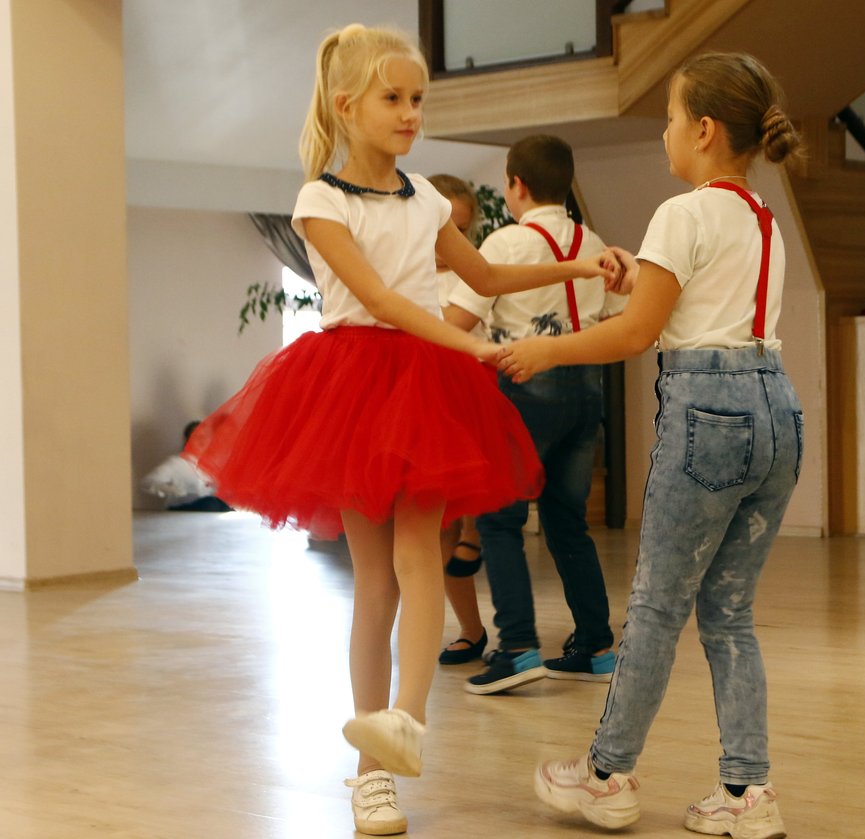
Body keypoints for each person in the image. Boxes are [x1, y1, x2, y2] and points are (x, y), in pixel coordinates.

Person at [183, 24, 616, 837]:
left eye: (418, 98)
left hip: (422, 387)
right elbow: (380, 300)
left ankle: (402, 725)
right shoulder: (321, 200)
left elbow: (483, 273)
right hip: (352, 387)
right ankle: (371, 776)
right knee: (374, 582)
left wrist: (576, 265)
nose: (412, 112)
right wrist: (473, 346)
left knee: (422, 559)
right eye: (394, 98)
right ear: (347, 106)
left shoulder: (424, 198)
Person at [500, 52, 803, 838]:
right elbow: (706, 301)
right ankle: (748, 791)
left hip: (709, 415)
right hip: (777, 411)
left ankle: (604, 775)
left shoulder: (682, 212)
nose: (663, 132)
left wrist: (545, 350)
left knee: (658, 606)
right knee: (728, 612)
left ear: (703, 130)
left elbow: (636, 335)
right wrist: (643, 274)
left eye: (669, 118)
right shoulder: (762, 219)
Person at [444, 134, 626, 695]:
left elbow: (457, 322)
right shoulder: (592, 241)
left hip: (525, 389)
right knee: (568, 521)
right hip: (587, 389)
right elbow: (617, 312)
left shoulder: (506, 242)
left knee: (498, 518)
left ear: (515, 185)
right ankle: (595, 646)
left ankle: (518, 648)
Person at [428, 173, 488, 666]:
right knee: (437, 528)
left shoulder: (474, 275)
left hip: (473, 400)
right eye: (445, 229)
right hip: (427, 406)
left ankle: (475, 532)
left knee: (476, 507)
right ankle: (471, 630)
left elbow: (456, 327)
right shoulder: (403, 274)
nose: (453, 241)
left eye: (463, 231)